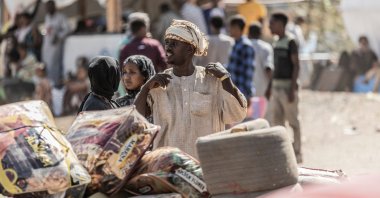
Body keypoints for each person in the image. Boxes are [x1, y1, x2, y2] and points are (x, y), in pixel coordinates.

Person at [134, 20, 247, 157]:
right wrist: (146, 88)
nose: (168, 47)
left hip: (204, 165)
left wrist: (226, 80)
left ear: (190, 49)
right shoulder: (157, 84)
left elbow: (237, 114)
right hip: (168, 170)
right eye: (167, 43)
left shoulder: (212, 80)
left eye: (174, 43)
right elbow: (137, 120)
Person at [266, 13, 302, 163]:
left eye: (272, 24)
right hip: (276, 88)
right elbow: (275, 68)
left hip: (287, 88)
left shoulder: (290, 41)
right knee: (278, 122)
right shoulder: (275, 42)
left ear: (281, 24)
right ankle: (283, 152)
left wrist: (292, 89)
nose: (270, 27)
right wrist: (269, 87)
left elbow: (296, 65)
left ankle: (298, 153)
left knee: (293, 122)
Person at [42, 0, 71, 87]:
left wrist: (58, 36)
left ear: (54, 7)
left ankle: (56, 86)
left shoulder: (61, 17)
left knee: (55, 67)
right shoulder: (47, 17)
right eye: (46, 7)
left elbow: (68, 29)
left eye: (50, 6)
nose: (48, 8)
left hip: (56, 46)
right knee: (46, 66)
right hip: (47, 46)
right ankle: (49, 87)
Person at [227, 15, 255, 101]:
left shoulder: (246, 45)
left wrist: (248, 94)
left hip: (242, 92)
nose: (229, 30)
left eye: (231, 27)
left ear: (236, 28)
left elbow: (249, 71)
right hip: (233, 90)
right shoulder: (235, 44)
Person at [248, 22, 273, 98]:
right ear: (260, 34)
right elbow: (268, 68)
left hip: (245, 92)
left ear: (248, 33)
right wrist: (270, 87)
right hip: (262, 91)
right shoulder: (266, 47)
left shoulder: (244, 46)